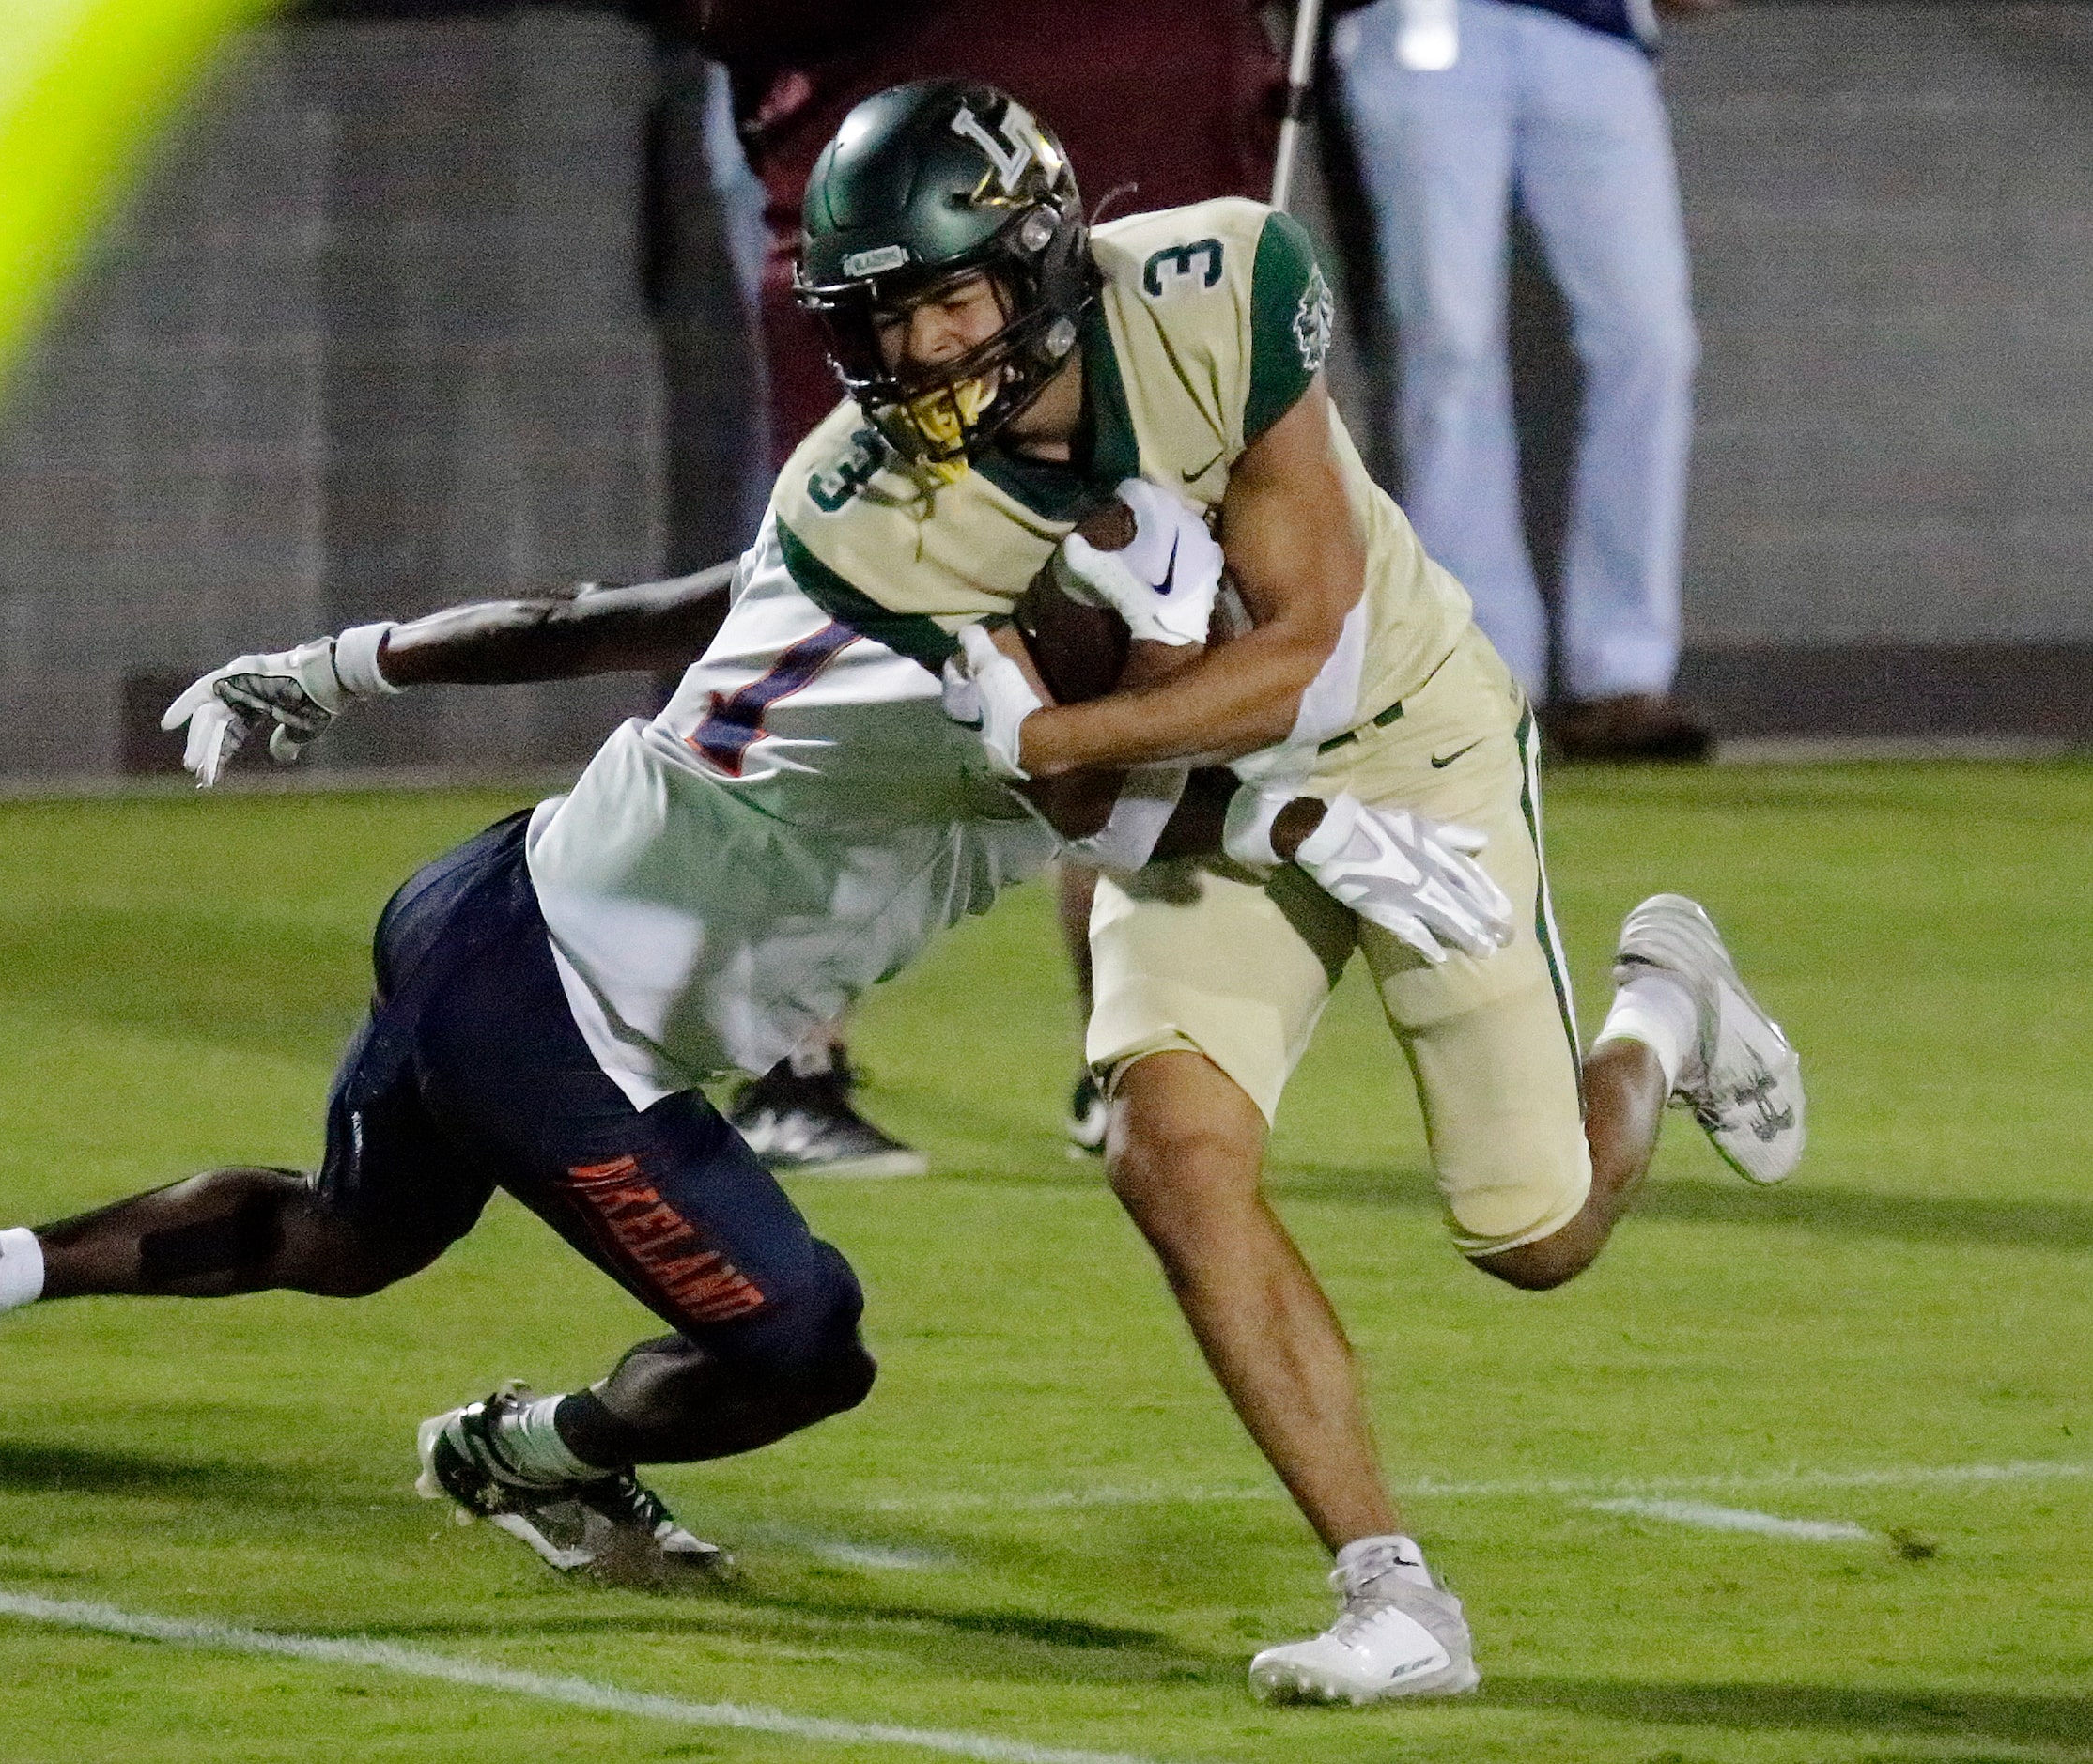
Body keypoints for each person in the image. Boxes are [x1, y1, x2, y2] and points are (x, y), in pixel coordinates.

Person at [0, 487, 1503, 1587]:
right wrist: (1312, 826)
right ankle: (530, 1451)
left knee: (348, 1234)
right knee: (804, 1337)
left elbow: (587, 623)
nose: (1163, 693)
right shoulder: (989, 701)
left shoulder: (870, 571)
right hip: (565, 1016)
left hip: (483, 904)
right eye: (1142, 659)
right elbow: (1120, 801)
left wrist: (326, 666)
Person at [760, 80, 1803, 1700]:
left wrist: (1054, 720)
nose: (914, 356)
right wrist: (1072, 750)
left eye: (945, 298)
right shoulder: (867, 503)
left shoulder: (1210, 285)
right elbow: (1087, 820)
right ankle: (1395, 1597)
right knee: (1167, 1150)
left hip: (1408, 748)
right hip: (1194, 818)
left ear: (1036, 260)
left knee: (1531, 1233)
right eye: (877, 321)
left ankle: (1663, 1006)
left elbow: (1305, 653)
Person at [655, 0, 1289, 1172]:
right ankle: (791, 1059)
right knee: (853, 641)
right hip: (897, 244)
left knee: (1157, 625)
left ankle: (1139, 1051)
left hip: (1134, 199)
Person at [1327, 0, 1725, 759]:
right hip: (1426, 18)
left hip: (1594, 26)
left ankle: (1623, 671)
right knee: (1446, 347)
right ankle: (1483, 666)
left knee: (1651, 342)